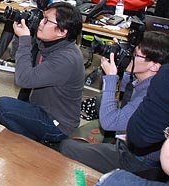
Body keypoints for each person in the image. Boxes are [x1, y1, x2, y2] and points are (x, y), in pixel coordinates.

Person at [59, 31, 169, 174]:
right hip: (132, 141)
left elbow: (109, 122)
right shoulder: (148, 79)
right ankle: (113, 140)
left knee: (66, 146)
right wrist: (118, 62)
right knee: (100, 100)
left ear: (155, 66)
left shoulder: (151, 96)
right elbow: (125, 89)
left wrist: (111, 77)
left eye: (135, 55)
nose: (130, 56)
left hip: (136, 161)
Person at [0, 2, 84, 144]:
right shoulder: (49, 43)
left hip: (58, 125)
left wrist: (24, 39)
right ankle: (31, 136)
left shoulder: (67, 59)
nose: (41, 22)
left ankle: (38, 144)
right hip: (40, 107)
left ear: (62, 31)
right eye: (43, 18)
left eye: (47, 21)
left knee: (2, 106)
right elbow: (21, 60)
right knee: (0, 120)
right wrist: (20, 37)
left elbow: (23, 79)